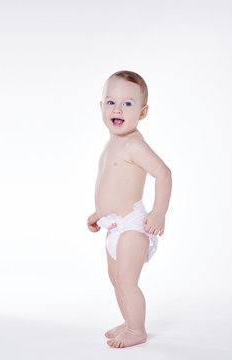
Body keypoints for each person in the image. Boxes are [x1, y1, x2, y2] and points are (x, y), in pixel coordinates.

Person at [87, 70, 172, 348]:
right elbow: (112, 185)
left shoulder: (134, 144)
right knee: (115, 278)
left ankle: (137, 330)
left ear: (143, 112)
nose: (118, 109)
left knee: (126, 279)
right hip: (113, 225)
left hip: (133, 227)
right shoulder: (112, 143)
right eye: (111, 102)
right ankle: (128, 320)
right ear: (101, 107)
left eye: (128, 103)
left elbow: (163, 174)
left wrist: (158, 213)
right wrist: (100, 214)